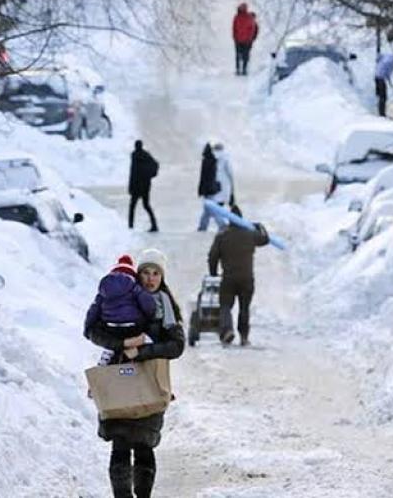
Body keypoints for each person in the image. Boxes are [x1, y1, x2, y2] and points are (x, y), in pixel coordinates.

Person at [84, 249, 185, 498]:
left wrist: (142, 351)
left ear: (162, 277)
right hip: (118, 379)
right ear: (137, 275)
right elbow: (93, 331)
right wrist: (122, 344)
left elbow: (176, 346)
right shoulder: (120, 299)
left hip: (150, 381)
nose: (150, 279)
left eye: (156, 273)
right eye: (145, 273)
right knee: (119, 445)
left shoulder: (164, 305)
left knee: (144, 445)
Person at [207, 205, 269, 346]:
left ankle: (227, 330)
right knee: (244, 307)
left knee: (225, 306)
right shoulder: (250, 234)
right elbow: (265, 239)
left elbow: (212, 256)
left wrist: (213, 272)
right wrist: (259, 226)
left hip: (228, 278)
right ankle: (244, 337)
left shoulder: (222, 236)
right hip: (247, 278)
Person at [84, 254, 158, 365]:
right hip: (133, 327)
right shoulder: (134, 286)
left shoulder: (104, 289)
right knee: (145, 335)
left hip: (110, 328)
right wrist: (150, 317)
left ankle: (110, 352)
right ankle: (141, 359)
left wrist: (87, 329)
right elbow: (149, 305)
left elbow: (94, 310)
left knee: (108, 336)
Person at [197, 141, 234, 231]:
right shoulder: (225, 157)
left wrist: (201, 190)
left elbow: (202, 176)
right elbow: (230, 173)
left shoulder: (207, 158)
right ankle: (222, 226)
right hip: (221, 188)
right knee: (213, 208)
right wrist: (232, 190)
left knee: (209, 208)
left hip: (209, 188)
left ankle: (202, 228)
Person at [129, 140, 160, 232]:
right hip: (145, 185)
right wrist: (150, 176)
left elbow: (133, 173)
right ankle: (154, 224)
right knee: (146, 205)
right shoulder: (146, 155)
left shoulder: (134, 156)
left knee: (133, 206)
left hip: (137, 185)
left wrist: (131, 186)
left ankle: (130, 226)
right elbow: (156, 165)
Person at [232, 3, 257, 75]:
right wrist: (234, 36)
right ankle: (239, 69)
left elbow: (252, 29)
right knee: (239, 55)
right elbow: (234, 27)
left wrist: (250, 38)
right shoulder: (237, 17)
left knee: (244, 55)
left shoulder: (247, 17)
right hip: (239, 39)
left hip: (245, 40)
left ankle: (243, 69)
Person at [374, 52, 393, 117]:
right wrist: (389, 81)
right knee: (383, 96)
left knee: (379, 95)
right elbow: (388, 72)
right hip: (381, 78)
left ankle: (378, 110)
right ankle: (381, 113)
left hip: (376, 76)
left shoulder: (389, 55)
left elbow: (379, 57)